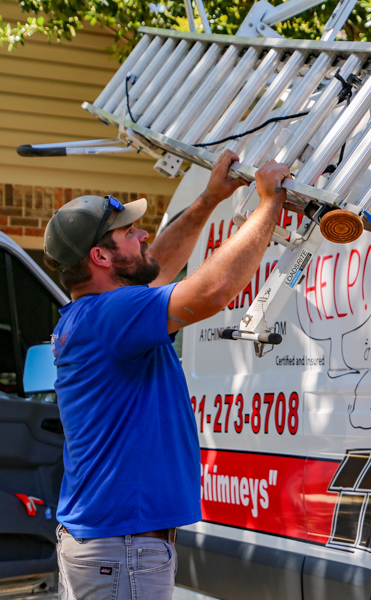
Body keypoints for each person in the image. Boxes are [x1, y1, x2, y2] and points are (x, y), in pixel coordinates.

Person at [43, 150, 291, 599]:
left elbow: (160, 261)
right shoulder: (114, 314)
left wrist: (209, 199)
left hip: (109, 545)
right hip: (122, 549)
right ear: (100, 255)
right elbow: (211, 291)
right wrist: (268, 204)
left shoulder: (95, 314)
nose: (141, 234)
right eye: (127, 232)